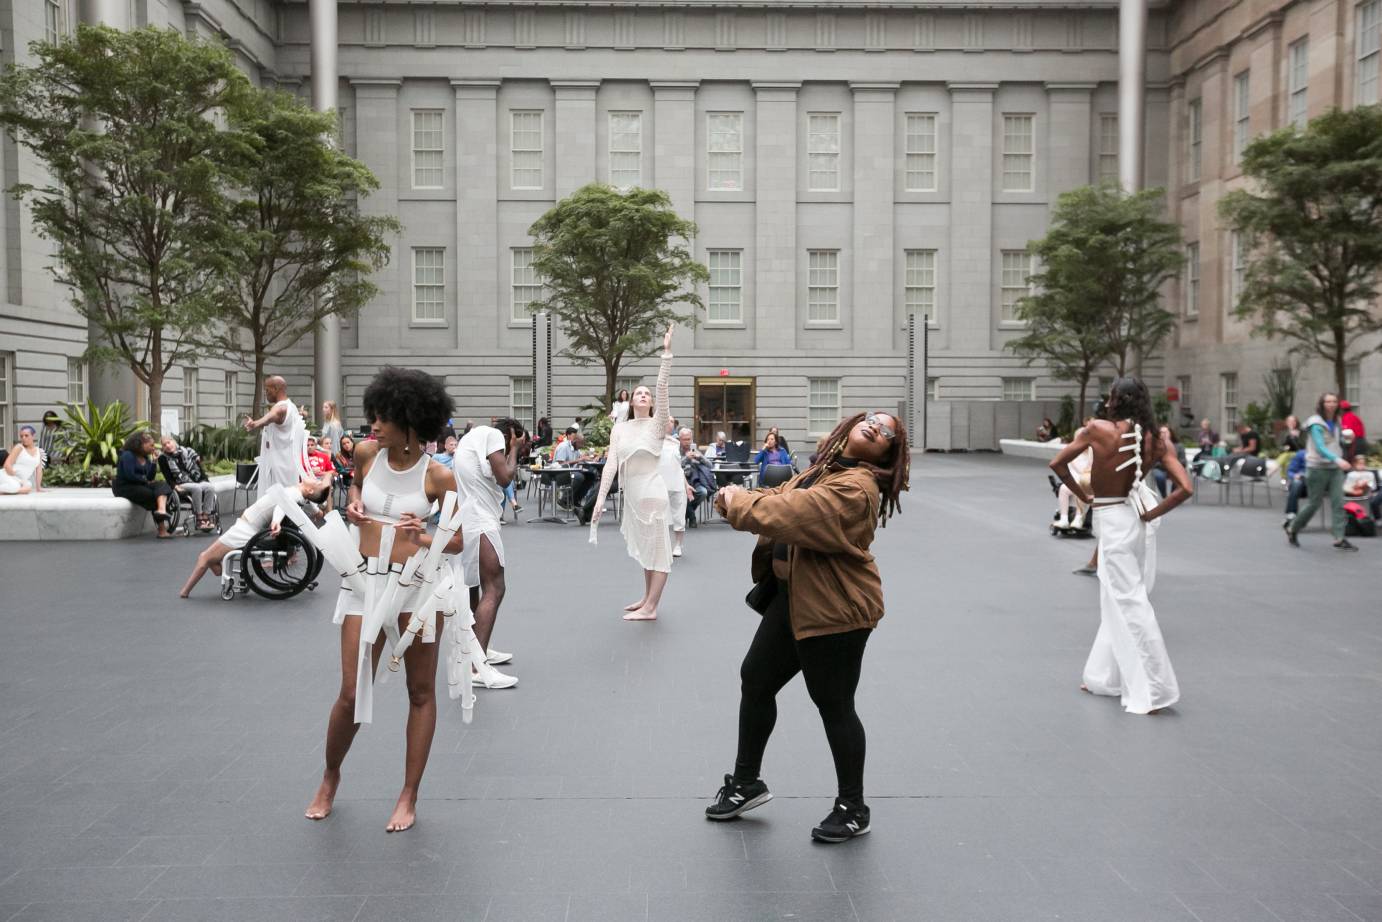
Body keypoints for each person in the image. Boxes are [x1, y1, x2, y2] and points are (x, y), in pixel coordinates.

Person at [705, 411, 909, 843]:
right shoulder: (826, 468)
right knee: (756, 680)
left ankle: (853, 808)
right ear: (850, 426)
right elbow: (784, 491)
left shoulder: (857, 487)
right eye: (872, 420)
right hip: (794, 596)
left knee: (833, 705)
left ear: (888, 454)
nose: (877, 427)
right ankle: (746, 784)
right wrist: (748, 494)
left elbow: (795, 511)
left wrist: (736, 501)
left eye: (887, 432)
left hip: (836, 608)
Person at [305, 366, 462, 833]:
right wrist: (353, 503)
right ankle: (330, 776)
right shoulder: (369, 455)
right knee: (352, 693)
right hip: (363, 583)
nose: (372, 425)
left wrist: (426, 533)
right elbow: (357, 490)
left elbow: (457, 542)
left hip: (416, 587)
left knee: (420, 692)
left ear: (412, 420)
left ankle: (408, 794)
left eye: (384, 417)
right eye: (373, 414)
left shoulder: (438, 477)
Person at [1050, 378, 1191, 716]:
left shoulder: (1096, 429)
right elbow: (1184, 487)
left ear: (1114, 399)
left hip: (1110, 520)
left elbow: (1057, 464)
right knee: (1117, 599)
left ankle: (1154, 690)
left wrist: (1083, 496)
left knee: (1129, 602)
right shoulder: (1156, 439)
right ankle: (1101, 676)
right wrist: (1152, 512)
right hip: (1135, 521)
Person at [590, 325, 678, 622]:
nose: (642, 395)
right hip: (633, 497)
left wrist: (666, 355)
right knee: (645, 549)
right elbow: (611, 464)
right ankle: (646, 597)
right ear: (630, 402)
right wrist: (601, 499)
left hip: (652, 493)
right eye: (638, 392)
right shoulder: (620, 428)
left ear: (652, 403)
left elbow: (663, 387)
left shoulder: (656, 424)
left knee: (658, 550)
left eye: (646, 394)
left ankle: (652, 607)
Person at [451, 418, 527, 688]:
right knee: (495, 587)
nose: (508, 453)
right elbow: (505, 476)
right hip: (481, 520)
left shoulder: (473, 437)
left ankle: (475, 651)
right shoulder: (495, 434)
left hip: (467, 518)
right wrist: (515, 448)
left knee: (474, 589)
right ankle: (476, 666)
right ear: (511, 434)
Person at [178, 467, 335, 598]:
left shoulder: (295, 494)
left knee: (203, 557)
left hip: (245, 530)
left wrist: (276, 522)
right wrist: (327, 486)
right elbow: (318, 513)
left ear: (309, 489)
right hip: (247, 526)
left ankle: (185, 591)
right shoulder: (303, 498)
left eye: (316, 482)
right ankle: (216, 564)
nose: (315, 478)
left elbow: (282, 505)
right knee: (212, 559)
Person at [1286, 392, 1357, 551]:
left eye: (1334, 401)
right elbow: (1320, 447)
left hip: (1334, 469)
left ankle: (1339, 538)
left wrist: (1347, 441)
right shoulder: (1315, 423)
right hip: (1317, 468)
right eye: (1328, 402)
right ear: (1322, 404)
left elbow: (1335, 443)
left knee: (1338, 502)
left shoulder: (1336, 421)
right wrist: (1337, 459)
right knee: (1314, 503)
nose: (1331, 404)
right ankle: (1293, 528)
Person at [244, 375, 308, 495]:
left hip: (279, 467)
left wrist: (255, 423)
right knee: (288, 499)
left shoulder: (281, 408)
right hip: (288, 464)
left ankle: (317, 512)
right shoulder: (291, 406)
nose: (266, 393)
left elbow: (271, 416)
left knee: (280, 501)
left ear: (276, 388)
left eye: (267, 390)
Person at [112, 430, 173, 538]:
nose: (154, 448)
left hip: (139, 484)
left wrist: (154, 462)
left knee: (162, 485)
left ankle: (161, 509)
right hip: (125, 486)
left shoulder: (145, 458)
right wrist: (146, 481)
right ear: (141, 444)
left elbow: (150, 477)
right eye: (151, 445)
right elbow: (129, 475)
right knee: (151, 495)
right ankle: (162, 530)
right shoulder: (127, 455)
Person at [158, 435, 216, 531]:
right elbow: (167, 477)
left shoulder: (187, 451)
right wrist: (174, 486)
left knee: (209, 487)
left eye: (169, 442)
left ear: (173, 442)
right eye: (164, 445)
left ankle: (206, 515)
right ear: (163, 448)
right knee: (197, 488)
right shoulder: (163, 458)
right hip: (180, 483)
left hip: (196, 481)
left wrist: (206, 480)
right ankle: (199, 517)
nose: (168, 446)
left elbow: (200, 470)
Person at [660, 418, 694, 558]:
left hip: (677, 483)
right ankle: (663, 544)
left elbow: (679, 467)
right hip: (661, 483)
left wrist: (686, 485)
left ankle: (678, 544)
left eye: (672, 421)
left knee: (679, 516)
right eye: (667, 420)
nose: (670, 423)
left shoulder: (676, 443)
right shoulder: (656, 441)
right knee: (661, 516)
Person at [0, 425, 44, 494]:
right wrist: (18, 480)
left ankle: (5, 491)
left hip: (20, 480)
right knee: (16, 486)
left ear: (33, 436)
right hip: (7, 475)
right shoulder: (19, 448)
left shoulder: (39, 451)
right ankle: (10, 489)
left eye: (26, 435)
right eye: (21, 436)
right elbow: (7, 465)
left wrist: (39, 488)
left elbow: (39, 471)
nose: (23, 438)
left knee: (29, 485)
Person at [1150, 426, 1186, 499]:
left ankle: (1173, 496)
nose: (1164, 434)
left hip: (1175, 469)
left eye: (1166, 432)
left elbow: (1183, 461)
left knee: (1178, 477)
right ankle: (1164, 496)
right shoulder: (1155, 446)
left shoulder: (1179, 446)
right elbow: (1153, 462)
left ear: (1171, 433)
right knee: (1159, 476)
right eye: (1162, 432)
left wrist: (1174, 465)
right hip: (1160, 469)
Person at [1283, 449, 1309, 524]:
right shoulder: (1302, 454)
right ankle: (1291, 514)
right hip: (1302, 484)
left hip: (1316, 484)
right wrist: (1295, 475)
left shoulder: (1325, 455)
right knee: (1296, 483)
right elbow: (1290, 471)